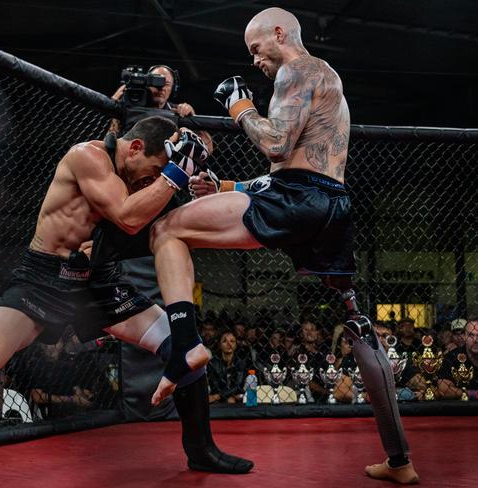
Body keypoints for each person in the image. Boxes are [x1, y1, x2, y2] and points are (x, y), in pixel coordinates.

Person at [0, 116, 251, 488]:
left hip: (96, 282)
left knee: (183, 344)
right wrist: (174, 175)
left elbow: (141, 228)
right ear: (134, 148)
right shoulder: (88, 156)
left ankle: (201, 449)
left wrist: (198, 180)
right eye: (153, 168)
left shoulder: (145, 178)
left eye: (160, 172)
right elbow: (127, 217)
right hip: (44, 280)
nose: (155, 178)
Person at [148, 7, 418, 484]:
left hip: (297, 201)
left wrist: (238, 107)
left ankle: (186, 344)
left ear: (279, 34)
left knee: (166, 229)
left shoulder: (297, 69)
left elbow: (275, 145)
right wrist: (228, 185)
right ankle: (400, 461)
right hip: (330, 204)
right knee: (357, 325)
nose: (254, 60)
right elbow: (291, 168)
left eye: (256, 48)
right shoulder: (324, 79)